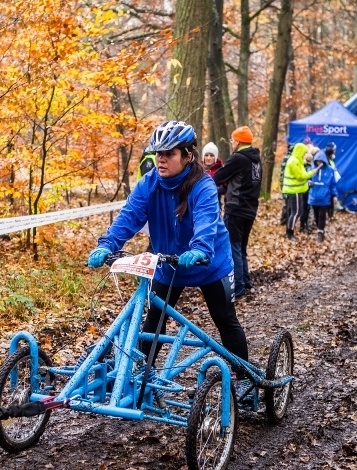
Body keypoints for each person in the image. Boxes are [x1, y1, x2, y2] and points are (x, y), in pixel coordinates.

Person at [87, 120, 251, 390]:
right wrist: (107, 244)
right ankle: (142, 376)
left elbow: (206, 221)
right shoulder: (149, 184)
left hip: (209, 262)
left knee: (224, 319)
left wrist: (199, 249)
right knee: (153, 321)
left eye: (169, 154)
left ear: (188, 155)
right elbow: (129, 217)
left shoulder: (203, 186)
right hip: (168, 262)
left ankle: (245, 379)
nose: (161, 160)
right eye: (158, 154)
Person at [213, 126, 262, 297]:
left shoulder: (238, 158)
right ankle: (246, 282)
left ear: (239, 141)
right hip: (250, 209)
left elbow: (218, 177)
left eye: (233, 139)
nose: (232, 142)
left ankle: (239, 287)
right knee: (241, 248)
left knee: (233, 247)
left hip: (235, 209)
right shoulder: (256, 160)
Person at [282, 143, 320, 241]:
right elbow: (300, 176)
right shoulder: (294, 162)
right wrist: (313, 172)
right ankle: (289, 233)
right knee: (296, 212)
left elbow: (301, 175)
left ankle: (289, 232)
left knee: (296, 212)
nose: (305, 154)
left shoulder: (297, 160)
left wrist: (307, 183)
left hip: (296, 190)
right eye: (304, 152)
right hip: (294, 190)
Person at [310, 145, 339, 241]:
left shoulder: (329, 170)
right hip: (314, 196)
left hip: (325, 196)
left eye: (321, 161)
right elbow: (306, 179)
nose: (319, 163)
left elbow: (333, 184)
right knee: (316, 214)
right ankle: (319, 228)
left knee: (322, 214)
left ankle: (320, 231)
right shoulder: (312, 170)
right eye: (317, 161)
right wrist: (309, 183)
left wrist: (334, 195)